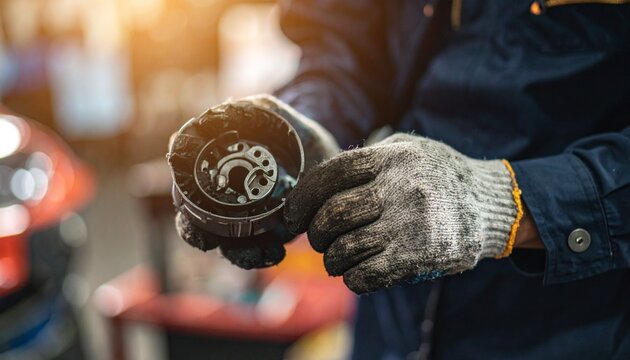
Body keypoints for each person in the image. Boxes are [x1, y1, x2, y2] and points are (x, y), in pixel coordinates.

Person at [175, 1, 630, 358]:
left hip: (578, 327)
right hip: (391, 308)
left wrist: (506, 203)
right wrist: (295, 131)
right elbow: (343, 45)